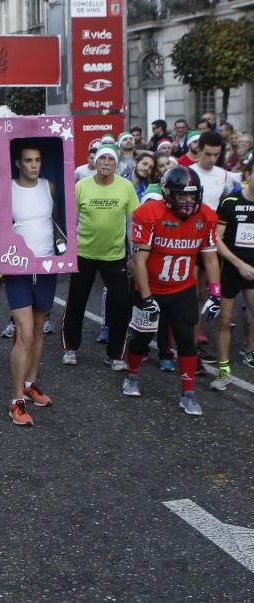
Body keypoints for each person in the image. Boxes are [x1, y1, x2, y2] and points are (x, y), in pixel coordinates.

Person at [122, 166, 220, 416]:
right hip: (151, 287)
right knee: (142, 338)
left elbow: (210, 259)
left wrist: (215, 293)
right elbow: (138, 261)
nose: (188, 201)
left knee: (187, 340)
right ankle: (132, 375)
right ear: (168, 194)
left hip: (182, 288)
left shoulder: (206, 217)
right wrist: (146, 298)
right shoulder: (150, 213)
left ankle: (189, 393)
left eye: (192, 195)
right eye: (181, 195)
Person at [4, 143, 65, 426]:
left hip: (47, 264)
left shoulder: (49, 186)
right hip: (17, 267)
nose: (33, 165)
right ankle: (16, 400)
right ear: (18, 163)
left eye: (37, 160)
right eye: (28, 160)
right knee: (25, 332)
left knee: (39, 330)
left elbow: (56, 220)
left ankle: (31, 383)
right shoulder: (7, 189)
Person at [60, 144, 137, 369]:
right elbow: (71, 223)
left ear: (116, 164)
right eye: (102, 158)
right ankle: (70, 349)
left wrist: (133, 254)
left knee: (121, 305)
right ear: (95, 162)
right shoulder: (82, 186)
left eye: (110, 160)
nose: (105, 163)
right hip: (84, 254)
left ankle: (114, 355)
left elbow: (132, 223)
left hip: (115, 256)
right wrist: (69, 251)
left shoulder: (126, 187)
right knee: (76, 302)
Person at [212, 157, 254, 387]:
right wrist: (238, 263)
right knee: (225, 320)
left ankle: (250, 351)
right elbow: (216, 239)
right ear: (247, 175)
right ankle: (223, 369)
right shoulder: (230, 202)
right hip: (231, 267)